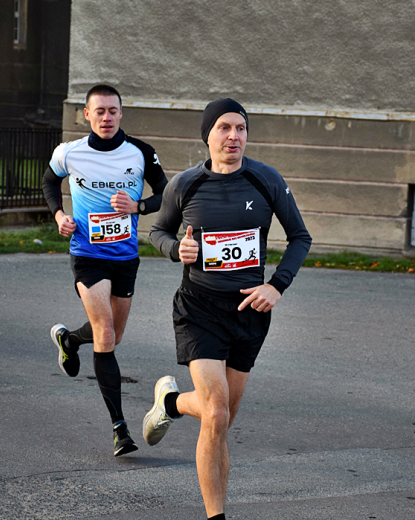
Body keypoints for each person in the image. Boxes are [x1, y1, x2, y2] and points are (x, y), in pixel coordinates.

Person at [144, 98, 311, 519]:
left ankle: (170, 404)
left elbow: (300, 238)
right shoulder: (185, 184)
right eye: (224, 128)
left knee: (221, 421)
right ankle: (215, 515)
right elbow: (157, 230)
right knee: (215, 413)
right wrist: (173, 248)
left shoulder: (265, 180)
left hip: (251, 311)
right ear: (208, 135)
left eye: (240, 128)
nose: (233, 136)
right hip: (199, 307)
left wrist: (277, 285)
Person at [42, 84, 168, 457]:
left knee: (111, 337)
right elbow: (50, 181)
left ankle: (69, 340)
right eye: (99, 111)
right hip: (87, 253)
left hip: (126, 257)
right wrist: (60, 215)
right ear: (87, 115)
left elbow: (167, 192)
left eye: (113, 111)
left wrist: (139, 206)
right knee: (106, 332)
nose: (107, 117)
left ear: (121, 113)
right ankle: (120, 428)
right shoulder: (70, 153)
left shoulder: (141, 152)